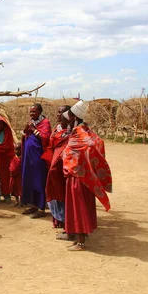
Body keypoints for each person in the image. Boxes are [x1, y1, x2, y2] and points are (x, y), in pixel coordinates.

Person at [63, 101, 112, 251]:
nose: (68, 119)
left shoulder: (80, 133)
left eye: (69, 116)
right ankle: (80, 238)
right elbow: (97, 143)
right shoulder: (85, 130)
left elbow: (90, 145)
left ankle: (81, 243)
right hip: (80, 175)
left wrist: (81, 162)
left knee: (79, 208)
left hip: (78, 176)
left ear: (74, 117)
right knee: (81, 206)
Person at [44, 105, 71, 233]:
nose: (57, 115)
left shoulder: (73, 131)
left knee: (64, 193)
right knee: (55, 191)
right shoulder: (57, 129)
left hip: (64, 168)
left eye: (60, 112)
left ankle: (68, 223)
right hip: (54, 165)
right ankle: (59, 219)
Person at [21, 104, 52, 219]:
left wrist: (33, 129)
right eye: (30, 112)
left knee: (39, 181)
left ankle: (41, 208)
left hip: (38, 157)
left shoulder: (45, 122)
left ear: (39, 111)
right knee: (29, 180)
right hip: (28, 157)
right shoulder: (31, 121)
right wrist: (25, 132)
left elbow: (45, 138)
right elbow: (25, 136)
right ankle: (33, 205)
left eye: (34, 112)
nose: (32, 114)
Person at [9, 143, 23, 207]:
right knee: (14, 190)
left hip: (19, 177)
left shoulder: (22, 159)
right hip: (13, 177)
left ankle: (21, 202)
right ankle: (17, 201)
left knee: (20, 190)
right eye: (15, 149)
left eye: (18, 149)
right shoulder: (14, 158)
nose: (16, 151)